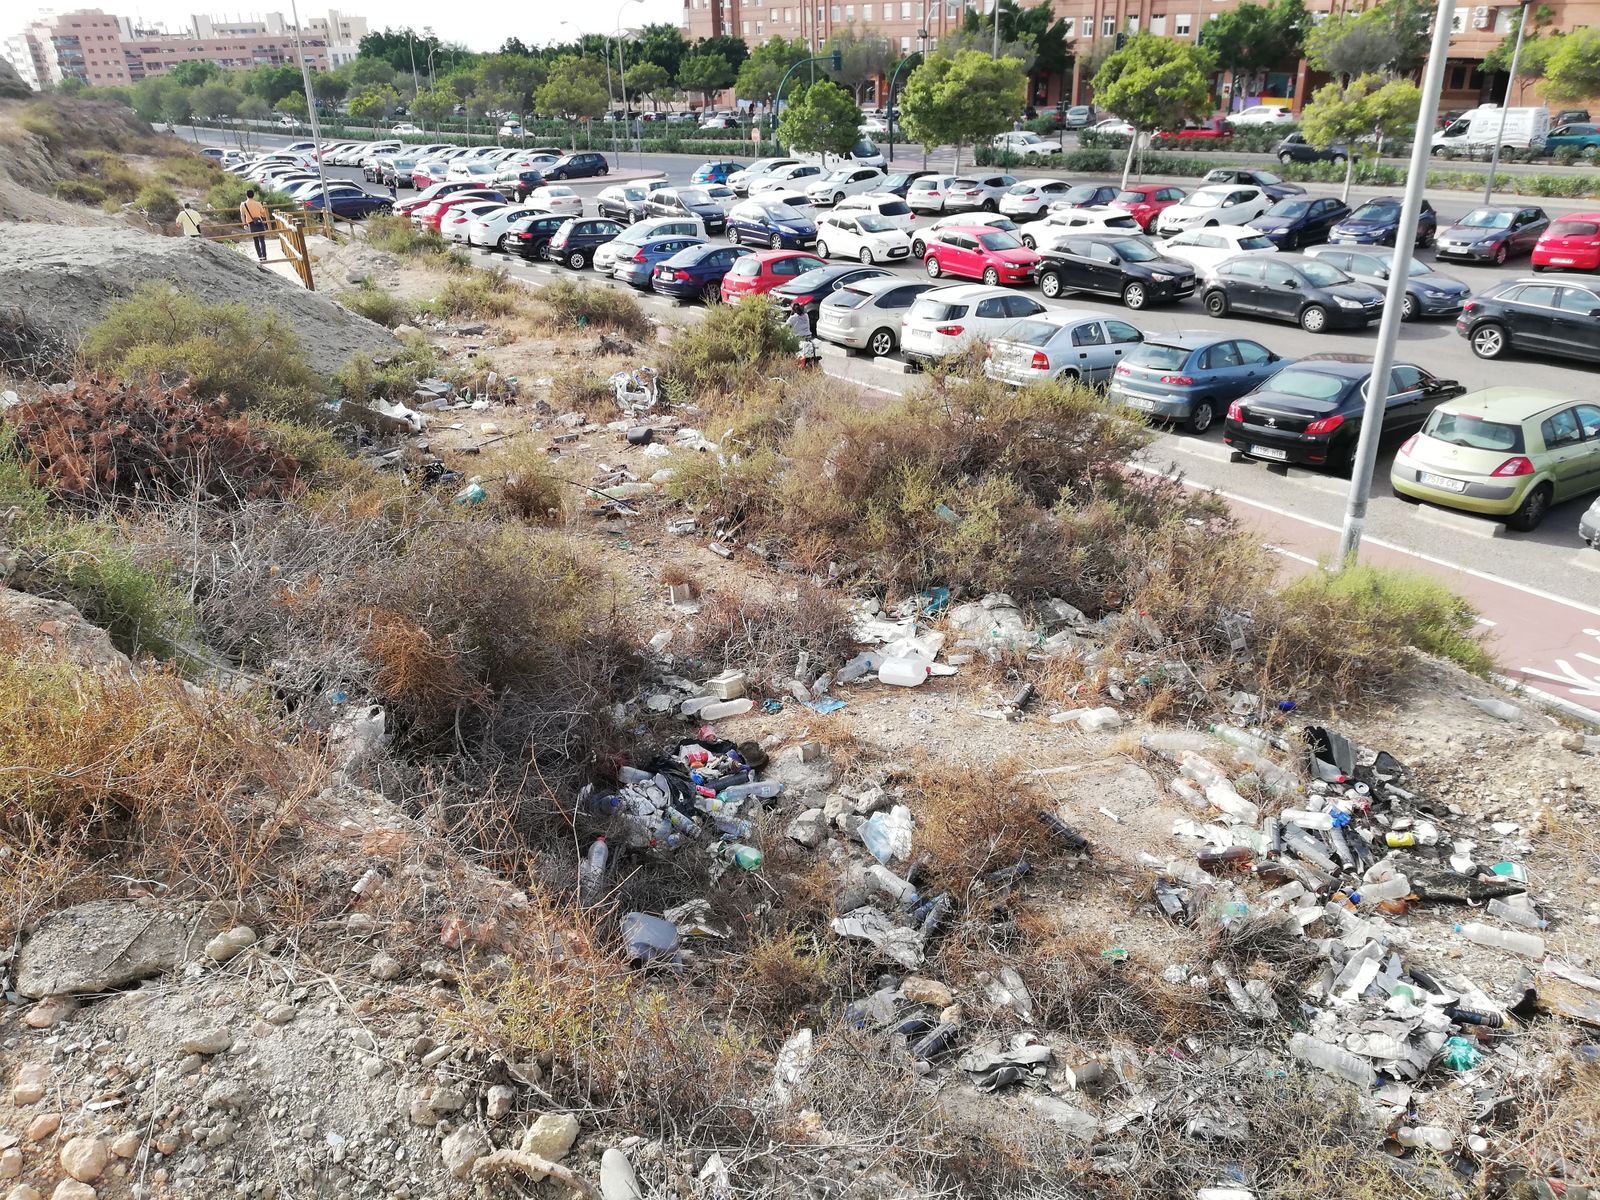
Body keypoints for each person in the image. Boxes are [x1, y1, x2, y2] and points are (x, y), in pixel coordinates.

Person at [238, 187, 269, 263]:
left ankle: (260, 257)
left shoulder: (243, 205)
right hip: (259, 223)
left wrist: (244, 224)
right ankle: (264, 256)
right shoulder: (258, 203)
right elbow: (264, 215)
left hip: (251, 224)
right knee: (262, 240)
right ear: (253, 195)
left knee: (256, 241)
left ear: (246, 195)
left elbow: (242, 215)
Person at [785, 303, 818, 368]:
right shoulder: (806, 315)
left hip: (799, 338)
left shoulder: (792, 318)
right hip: (808, 337)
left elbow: (785, 326)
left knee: (792, 350)